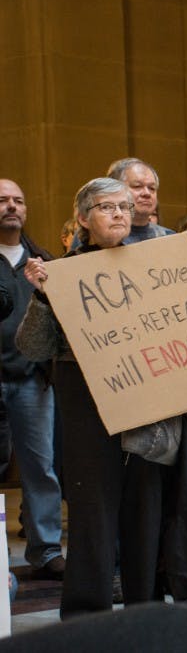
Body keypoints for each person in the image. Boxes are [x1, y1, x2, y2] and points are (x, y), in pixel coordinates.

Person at [16, 177, 187, 625]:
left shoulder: (157, 266)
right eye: (105, 207)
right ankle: (87, 615)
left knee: (146, 514)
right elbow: (33, 348)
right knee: (94, 516)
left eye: (123, 206)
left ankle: (143, 610)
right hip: (88, 412)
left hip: (148, 411)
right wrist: (42, 297)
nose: (119, 214)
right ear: (83, 219)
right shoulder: (63, 273)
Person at [0, 179, 65, 579]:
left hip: (32, 380)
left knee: (41, 468)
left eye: (18, 200)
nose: (11, 206)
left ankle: (45, 550)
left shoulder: (43, 259)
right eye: (3, 200)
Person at [106, 158, 175, 243]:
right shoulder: (101, 239)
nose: (147, 193)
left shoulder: (170, 238)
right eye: (137, 186)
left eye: (152, 188)